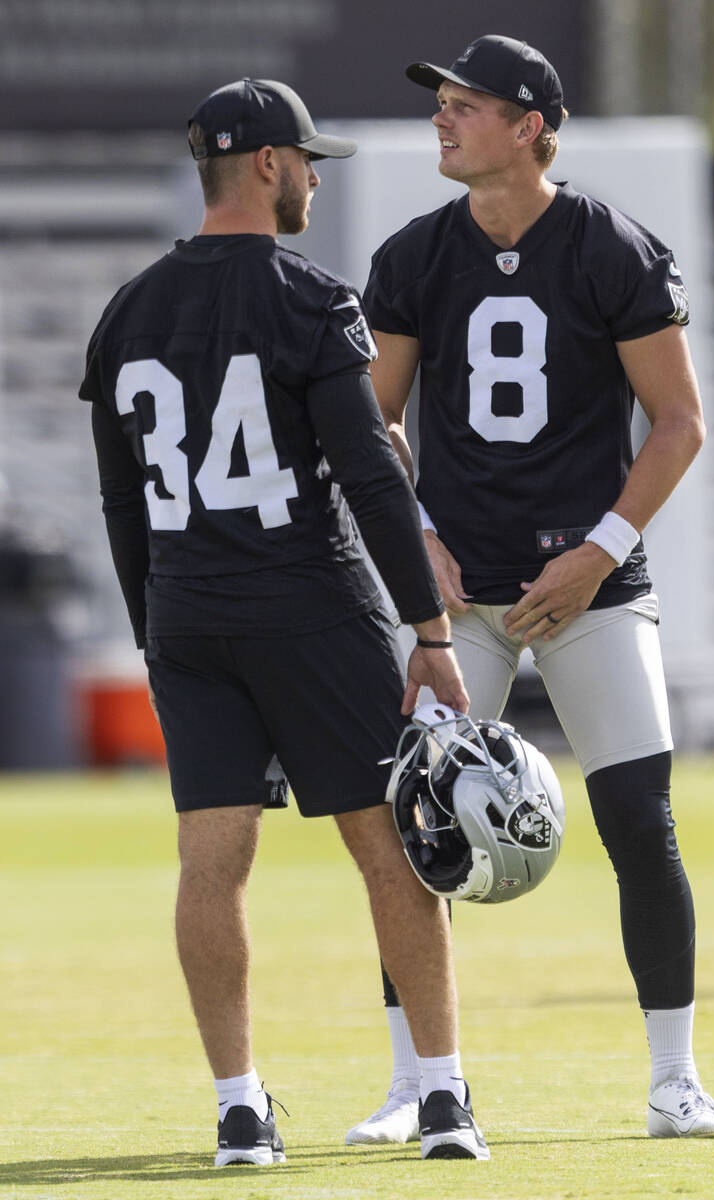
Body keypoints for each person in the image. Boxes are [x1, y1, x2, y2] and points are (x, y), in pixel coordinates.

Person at [79, 77, 491, 1164]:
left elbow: (122, 502)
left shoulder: (127, 308)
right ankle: (443, 1098)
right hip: (308, 605)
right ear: (266, 164)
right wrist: (430, 630)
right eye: (306, 160)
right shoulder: (309, 297)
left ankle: (237, 1109)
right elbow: (364, 471)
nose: (313, 177)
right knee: (393, 850)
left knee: (209, 864)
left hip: (189, 619)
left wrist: (153, 625)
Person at [345, 35, 714, 1145]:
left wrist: (599, 551)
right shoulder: (417, 254)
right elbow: (374, 425)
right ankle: (418, 1083)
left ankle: (674, 1081)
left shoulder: (608, 245)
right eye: (442, 106)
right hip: (456, 589)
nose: (441, 121)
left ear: (526, 125)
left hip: (589, 585)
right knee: (412, 830)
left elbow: (677, 422)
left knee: (637, 819)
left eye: (464, 106)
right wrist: (415, 536)